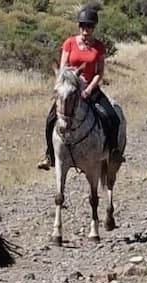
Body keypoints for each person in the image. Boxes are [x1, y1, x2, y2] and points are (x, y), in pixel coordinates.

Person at [39, 4, 118, 170]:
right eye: (83, 25)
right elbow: (63, 67)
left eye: (89, 26)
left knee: (112, 116)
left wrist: (89, 89)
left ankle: (114, 151)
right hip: (70, 90)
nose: (85, 29)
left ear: (94, 27)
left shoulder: (99, 47)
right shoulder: (69, 43)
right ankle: (49, 155)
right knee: (50, 120)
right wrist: (64, 85)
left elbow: (100, 72)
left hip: (91, 90)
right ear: (78, 26)